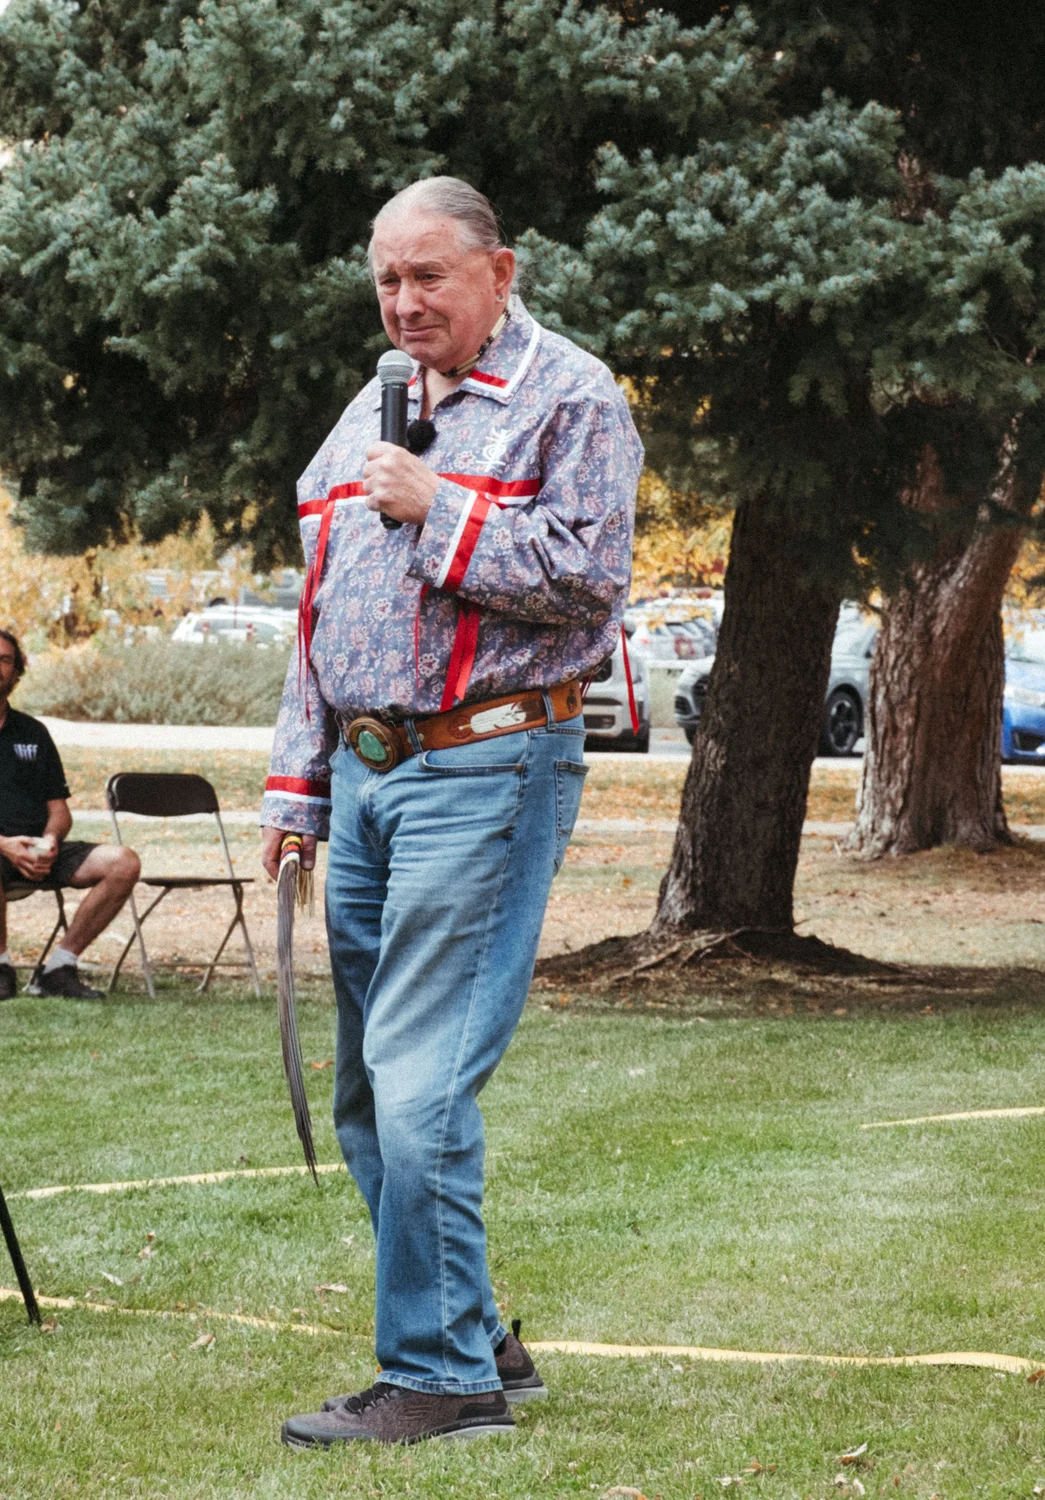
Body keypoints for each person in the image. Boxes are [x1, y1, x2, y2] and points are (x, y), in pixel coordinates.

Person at [261, 177, 643, 1448]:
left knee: (420, 1075)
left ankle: (436, 1380)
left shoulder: (568, 396)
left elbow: (588, 583)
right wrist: (300, 782)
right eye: (387, 279)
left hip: (485, 768)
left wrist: (442, 510)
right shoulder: (376, 401)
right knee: (374, 1092)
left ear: (502, 272)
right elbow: (322, 602)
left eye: (430, 276)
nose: (404, 301)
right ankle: (474, 1339)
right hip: (369, 778)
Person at [0, 630, 140, 1001]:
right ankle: (0, 967)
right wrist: (5, 846)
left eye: (5, 659)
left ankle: (59, 968)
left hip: (38, 850)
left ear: (17, 672)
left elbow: (59, 811)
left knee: (123, 862)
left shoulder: (34, 732)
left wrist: (48, 842)